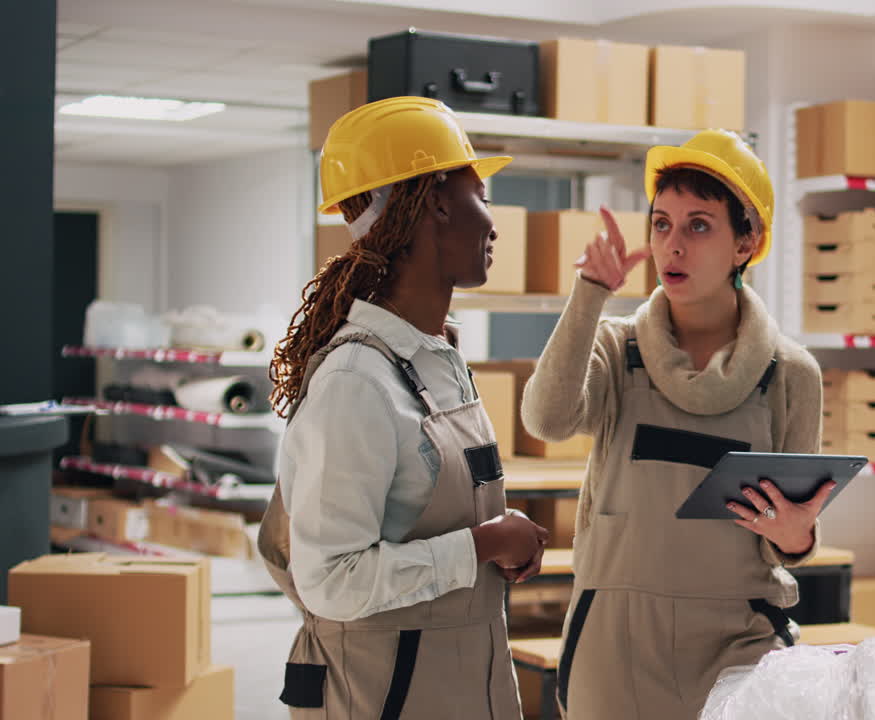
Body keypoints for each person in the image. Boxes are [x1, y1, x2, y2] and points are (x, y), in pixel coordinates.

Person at [521, 129, 832, 719]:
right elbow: (547, 419)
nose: (673, 245)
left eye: (699, 226)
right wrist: (589, 294)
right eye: (661, 224)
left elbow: (791, 535)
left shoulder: (791, 374)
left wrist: (797, 536)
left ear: (746, 242)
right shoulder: (615, 349)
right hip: (615, 645)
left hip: (737, 641)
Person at [257, 96, 548, 720]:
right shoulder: (356, 381)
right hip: (381, 698)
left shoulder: (437, 361)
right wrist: (485, 542)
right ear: (436, 203)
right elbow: (331, 579)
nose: (493, 226)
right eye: (481, 197)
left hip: (462, 690)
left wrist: (496, 534)